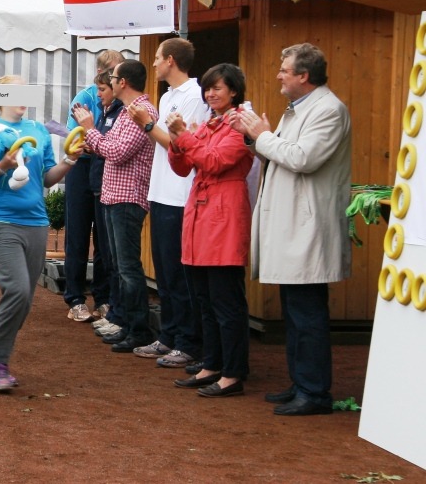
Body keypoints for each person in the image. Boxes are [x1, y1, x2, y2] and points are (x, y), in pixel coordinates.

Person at [232, 43, 351, 416]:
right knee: (295, 311)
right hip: (293, 223)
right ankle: (301, 383)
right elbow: (279, 154)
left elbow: (302, 158)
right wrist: (253, 136)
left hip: (308, 226)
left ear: (304, 75)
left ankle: (314, 392)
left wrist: (262, 136)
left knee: (307, 313)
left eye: (284, 70)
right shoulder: (299, 108)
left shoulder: (329, 110)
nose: (278, 75)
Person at [0, 76, 81, 391]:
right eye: (15, 92)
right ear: (0, 97)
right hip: (0, 220)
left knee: (25, 299)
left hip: (36, 222)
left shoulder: (37, 130)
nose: (22, 97)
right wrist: (4, 165)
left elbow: (47, 178)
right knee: (18, 291)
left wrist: (70, 159)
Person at [166, 64, 254, 398]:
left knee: (225, 300)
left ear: (234, 91)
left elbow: (214, 161)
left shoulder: (239, 124)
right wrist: (177, 140)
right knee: (204, 298)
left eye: (217, 88)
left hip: (224, 212)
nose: (210, 94)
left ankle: (233, 372)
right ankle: (213, 363)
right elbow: (182, 166)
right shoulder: (210, 124)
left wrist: (184, 137)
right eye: (208, 88)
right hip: (203, 213)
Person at [127, 38, 207, 368]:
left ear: (171, 60)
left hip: (179, 194)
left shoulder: (194, 95)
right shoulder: (167, 95)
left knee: (178, 274)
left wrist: (146, 124)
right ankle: (170, 334)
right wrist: (147, 126)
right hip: (160, 191)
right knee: (163, 271)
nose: (155, 63)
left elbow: (179, 144)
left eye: (158, 58)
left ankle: (188, 341)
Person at [75, 59, 157, 352]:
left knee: (128, 267)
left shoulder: (141, 112)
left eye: (113, 79)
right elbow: (109, 145)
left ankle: (139, 329)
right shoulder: (126, 111)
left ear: (123, 82)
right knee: (120, 266)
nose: (109, 83)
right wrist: (93, 140)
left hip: (128, 198)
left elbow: (118, 152)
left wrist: (89, 129)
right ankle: (125, 322)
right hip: (115, 196)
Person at [63, 49, 125, 323]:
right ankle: (75, 298)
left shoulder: (122, 102)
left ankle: (103, 298)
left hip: (106, 167)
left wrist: (97, 141)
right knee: (77, 231)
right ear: (100, 72)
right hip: (82, 167)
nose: (118, 77)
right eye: (113, 72)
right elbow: (73, 137)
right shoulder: (85, 97)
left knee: (104, 235)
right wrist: (94, 141)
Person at [89, 70, 126, 336]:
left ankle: (118, 313)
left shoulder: (122, 112)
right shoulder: (106, 111)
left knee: (117, 259)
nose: (99, 94)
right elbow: (104, 146)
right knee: (104, 253)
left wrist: (90, 132)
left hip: (116, 192)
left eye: (103, 89)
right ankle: (111, 309)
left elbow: (113, 150)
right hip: (100, 188)